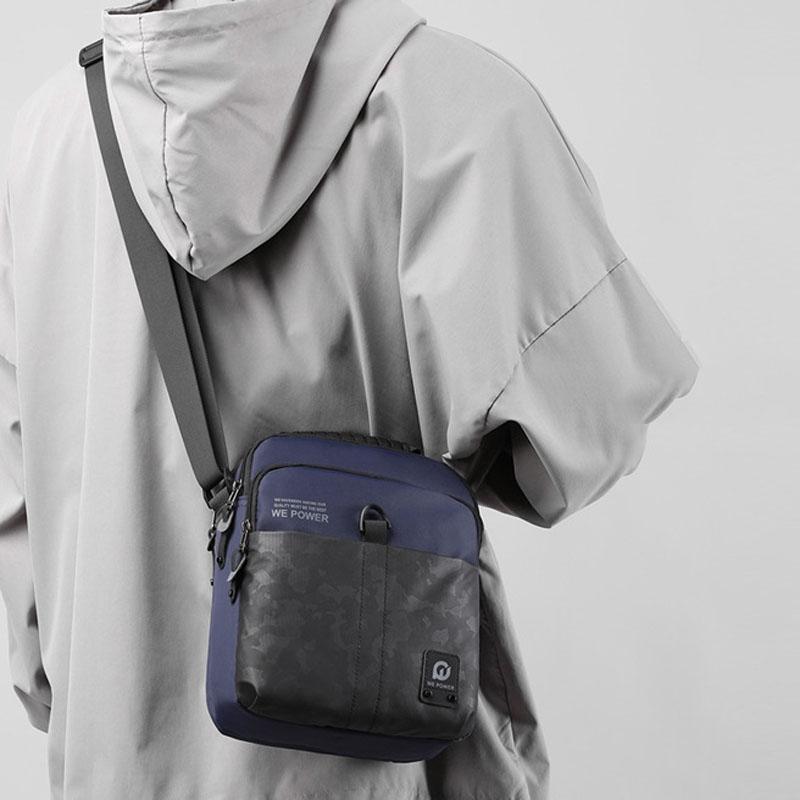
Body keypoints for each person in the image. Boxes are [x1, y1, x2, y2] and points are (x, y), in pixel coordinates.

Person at [0, 0, 699, 797]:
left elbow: (26, 564)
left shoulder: (45, 137)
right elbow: (581, 439)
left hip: (112, 764)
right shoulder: (454, 105)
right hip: (376, 762)